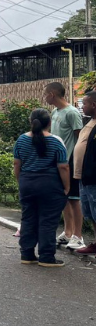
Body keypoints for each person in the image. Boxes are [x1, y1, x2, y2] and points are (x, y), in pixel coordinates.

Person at [14, 108, 69, 267]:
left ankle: (27, 254)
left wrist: (21, 182)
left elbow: (17, 164)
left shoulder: (21, 140)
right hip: (49, 184)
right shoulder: (56, 141)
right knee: (48, 221)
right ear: (49, 123)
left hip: (27, 182)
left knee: (28, 218)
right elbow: (63, 167)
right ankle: (46, 257)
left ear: (31, 122)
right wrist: (66, 187)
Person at [44, 82, 85, 250]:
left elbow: (80, 137)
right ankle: (67, 232)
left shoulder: (72, 113)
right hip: (57, 161)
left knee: (75, 198)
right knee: (64, 198)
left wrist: (76, 160)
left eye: (45, 94)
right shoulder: (55, 112)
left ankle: (78, 235)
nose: (44, 97)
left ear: (52, 94)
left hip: (70, 161)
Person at [74, 91, 96, 256]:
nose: (82, 107)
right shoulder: (90, 123)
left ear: (93, 105)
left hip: (93, 176)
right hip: (84, 176)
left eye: (85, 104)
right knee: (90, 213)